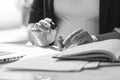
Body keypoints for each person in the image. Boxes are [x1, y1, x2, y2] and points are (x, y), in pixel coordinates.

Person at [28, 0, 120, 50]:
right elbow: (32, 25)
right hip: (55, 55)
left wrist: (95, 40)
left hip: (98, 58)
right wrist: (40, 39)